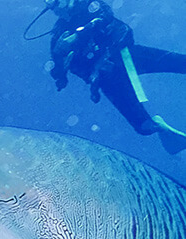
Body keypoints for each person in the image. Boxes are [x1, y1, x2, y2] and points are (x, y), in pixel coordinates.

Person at [42, 0, 186, 154]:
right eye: (48, 2)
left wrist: (79, 34)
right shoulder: (59, 34)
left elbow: (105, 16)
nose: (52, 5)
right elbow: (58, 73)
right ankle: (160, 127)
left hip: (124, 55)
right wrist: (60, 60)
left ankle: (157, 126)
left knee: (176, 62)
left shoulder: (87, 5)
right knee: (142, 126)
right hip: (105, 77)